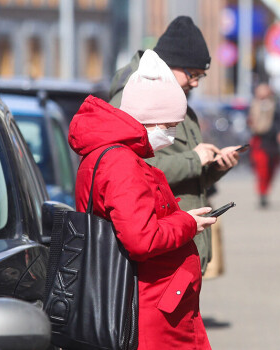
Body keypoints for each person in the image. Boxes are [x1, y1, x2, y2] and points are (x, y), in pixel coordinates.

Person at [69, 50, 215, 349]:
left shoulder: (108, 155)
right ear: (148, 120)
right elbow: (141, 239)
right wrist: (187, 223)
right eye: (169, 126)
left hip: (147, 298)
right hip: (149, 305)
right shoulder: (122, 163)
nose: (172, 137)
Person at [109, 16, 241, 275]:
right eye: (193, 74)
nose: (195, 83)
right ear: (168, 65)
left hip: (179, 242)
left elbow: (184, 176)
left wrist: (214, 167)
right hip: (161, 249)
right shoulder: (134, 99)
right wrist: (194, 159)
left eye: (201, 77)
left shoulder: (175, 99)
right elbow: (133, 170)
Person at [248, 83, 280, 208]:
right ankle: (262, 192)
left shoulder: (275, 105)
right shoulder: (253, 105)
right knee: (261, 168)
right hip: (259, 141)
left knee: (272, 168)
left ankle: (266, 190)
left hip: (272, 142)